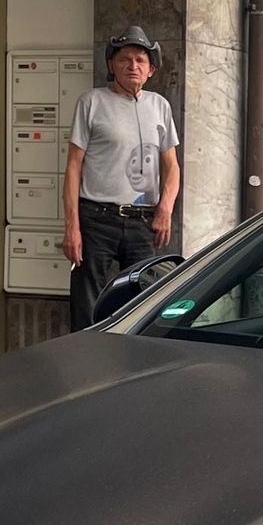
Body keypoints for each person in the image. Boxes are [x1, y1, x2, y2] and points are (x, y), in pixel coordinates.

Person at [65, 26, 182, 328]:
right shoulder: (91, 103)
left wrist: (166, 209)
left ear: (151, 69)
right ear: (110, 66)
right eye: (125, 59)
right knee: (87, 304)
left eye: (140, 60)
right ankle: (86, 363)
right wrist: (72, 228)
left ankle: (130, 364)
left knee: (142, 303)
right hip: (97, 218)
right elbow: (73, 167)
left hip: (144, 221)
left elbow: (171, 166)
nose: (133, 66)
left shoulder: (160, 106)